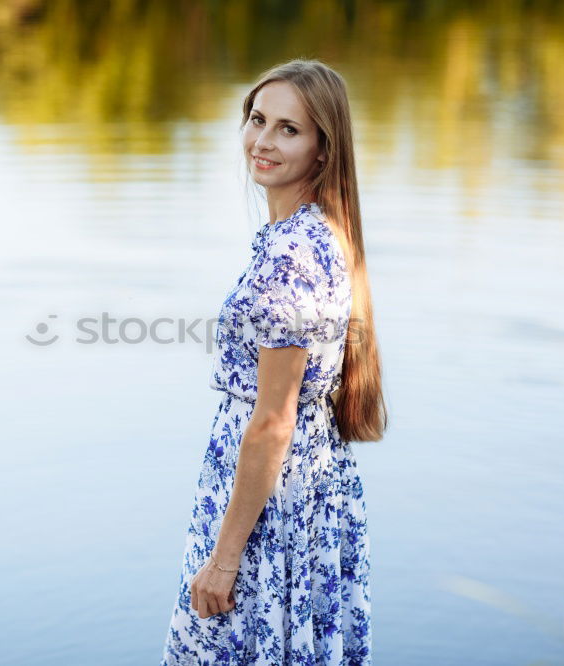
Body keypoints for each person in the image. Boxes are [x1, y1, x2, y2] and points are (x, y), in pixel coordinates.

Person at [160, 59, 388, 665]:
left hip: (272, 502)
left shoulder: (290, 258)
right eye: (257, 119)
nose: (262, 141)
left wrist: (225, 556)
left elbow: (272, 421)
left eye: (289, 129)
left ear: (322, 149)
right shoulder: (321, 232)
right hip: (310, 490)